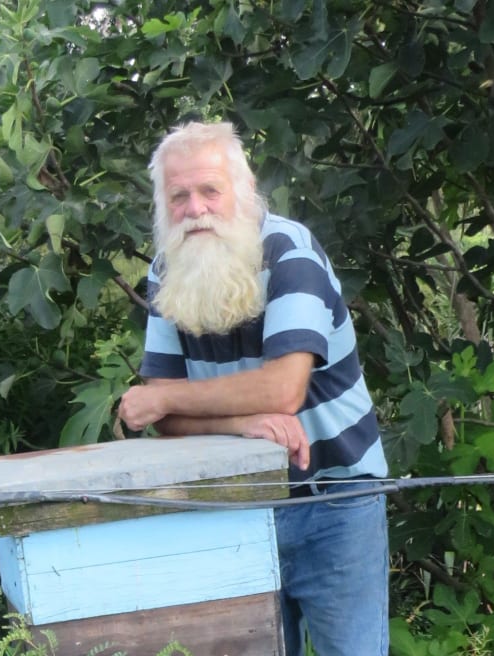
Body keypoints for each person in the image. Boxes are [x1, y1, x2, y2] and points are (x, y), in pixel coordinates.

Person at [117, 120, 390, 656]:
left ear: (242, 191)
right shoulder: (166, 271)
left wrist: (167, 397)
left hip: (335, 502)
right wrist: (239, 423)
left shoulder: (292, 253)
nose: (195, 209)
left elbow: (282, 390)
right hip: (234, 504)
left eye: (209, 190)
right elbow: (164, 422)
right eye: (179, 196)